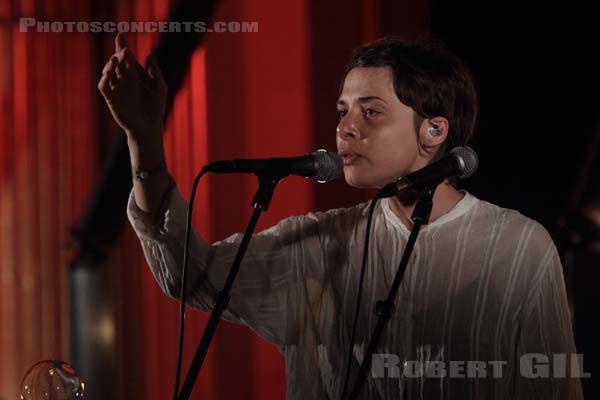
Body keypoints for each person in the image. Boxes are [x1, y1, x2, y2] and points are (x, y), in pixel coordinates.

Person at [98, 32, 584, 399]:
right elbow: (192, 274)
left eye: (370, 112)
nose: (346, 128)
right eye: (342, 110)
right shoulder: (321, 242)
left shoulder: (520, 246)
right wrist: (144, 140)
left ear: (434, 130)